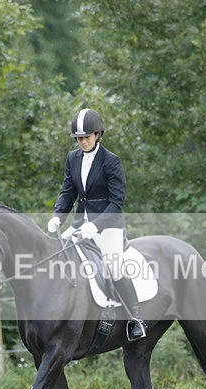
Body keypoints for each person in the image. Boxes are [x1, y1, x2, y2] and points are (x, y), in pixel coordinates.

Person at [47, 108, 147, 340]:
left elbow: (116, 202)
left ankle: (136, 319)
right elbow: (68, 191)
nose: (82, 142)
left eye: (87, 137)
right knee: (57, 255)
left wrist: (97, 225)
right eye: (79, 138)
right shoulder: (72, 158)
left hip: (109, 225)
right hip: (81, 223)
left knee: (112, 265)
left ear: (98, 135)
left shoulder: (111, 161)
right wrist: (57, 216)